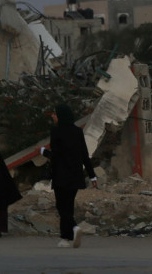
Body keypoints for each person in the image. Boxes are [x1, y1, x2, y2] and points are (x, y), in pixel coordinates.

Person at [40, 103, 97, 249]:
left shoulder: (56, 132)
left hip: (60, 175)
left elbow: (56, 156)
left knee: (61, 206)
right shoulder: (77, 132)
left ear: (60, 116)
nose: (53, 116)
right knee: (68, 206)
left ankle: (73, 229)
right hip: (75, 176)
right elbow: (84, 154)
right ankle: (66, 238)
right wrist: (92, 176)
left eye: (55, 113)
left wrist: (43, 152)